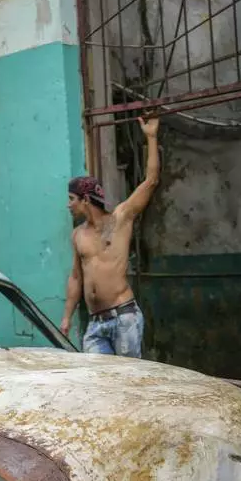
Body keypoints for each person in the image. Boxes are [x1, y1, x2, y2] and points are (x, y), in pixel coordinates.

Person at [60, 116, 161, 358]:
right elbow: (76, 277)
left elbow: (150, 181)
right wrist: (67, 317)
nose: (68, 205)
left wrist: (151, 137)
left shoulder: (120, 219)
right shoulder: (78, 235)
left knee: (127, 385)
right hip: (95, 324)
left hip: (124, 317)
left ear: (85, 199)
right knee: (96, 383)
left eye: (72, 199)